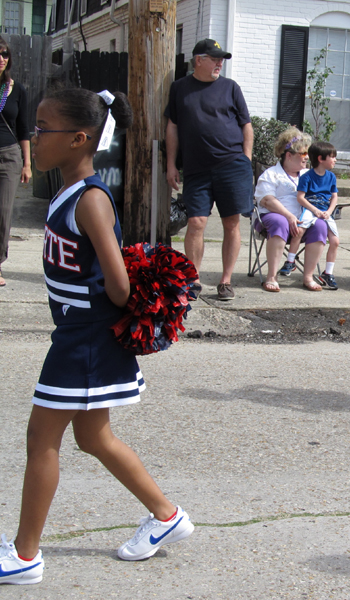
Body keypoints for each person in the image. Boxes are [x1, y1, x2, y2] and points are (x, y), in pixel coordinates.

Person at [0, 88, 194, 585]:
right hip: (78, 331)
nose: (34, 137)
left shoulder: (89, 199)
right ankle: (166, 516)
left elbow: (120, 283)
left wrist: (106, 307)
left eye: (44, 129)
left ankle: (25, 556)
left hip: (83, 337)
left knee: (41, 439)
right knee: (93, 436)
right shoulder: (67, 190)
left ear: (78, 139)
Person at [165, 39, 253, 301]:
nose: (219, 63)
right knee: (195, 222)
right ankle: (192, 279)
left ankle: (225, 281)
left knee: (231, 223)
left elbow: (246, 125)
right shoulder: (180, 88)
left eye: (221, 59)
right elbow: (173, 127)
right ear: (198, 60)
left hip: (232, 165)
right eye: (214, 59)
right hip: (196, 169)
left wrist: (246, 159)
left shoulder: (230, 87)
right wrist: (171, 164)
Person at [255, 128, 325, 293]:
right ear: (289, 155)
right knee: (280, 222)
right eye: (303, 153)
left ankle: (308, 276)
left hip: (303, 222)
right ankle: (272, 276)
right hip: (272, 219)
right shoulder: (271, 174)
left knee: (320, 225)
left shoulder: (309, 175)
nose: (307, 157)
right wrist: (288, 216)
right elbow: (267, 200)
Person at [0, 37, 32, 287]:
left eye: (5, 54)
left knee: (3, 213)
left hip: (8, 156)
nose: (2, 58)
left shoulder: (16, 89)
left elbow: (23, 129)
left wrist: (27, 163)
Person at [296, 141, 340, 290]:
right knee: (300, 230)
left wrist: (329, 211)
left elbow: (334, 197)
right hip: (311, 211)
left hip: (325, 213)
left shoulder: (332, 177)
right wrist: (315, 210)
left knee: (335, 242)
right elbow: (300, 197)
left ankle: (328, 273)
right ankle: (290, 261)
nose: (335, 160)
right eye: (332, 157)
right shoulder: (307, 177)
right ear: (321, 159)